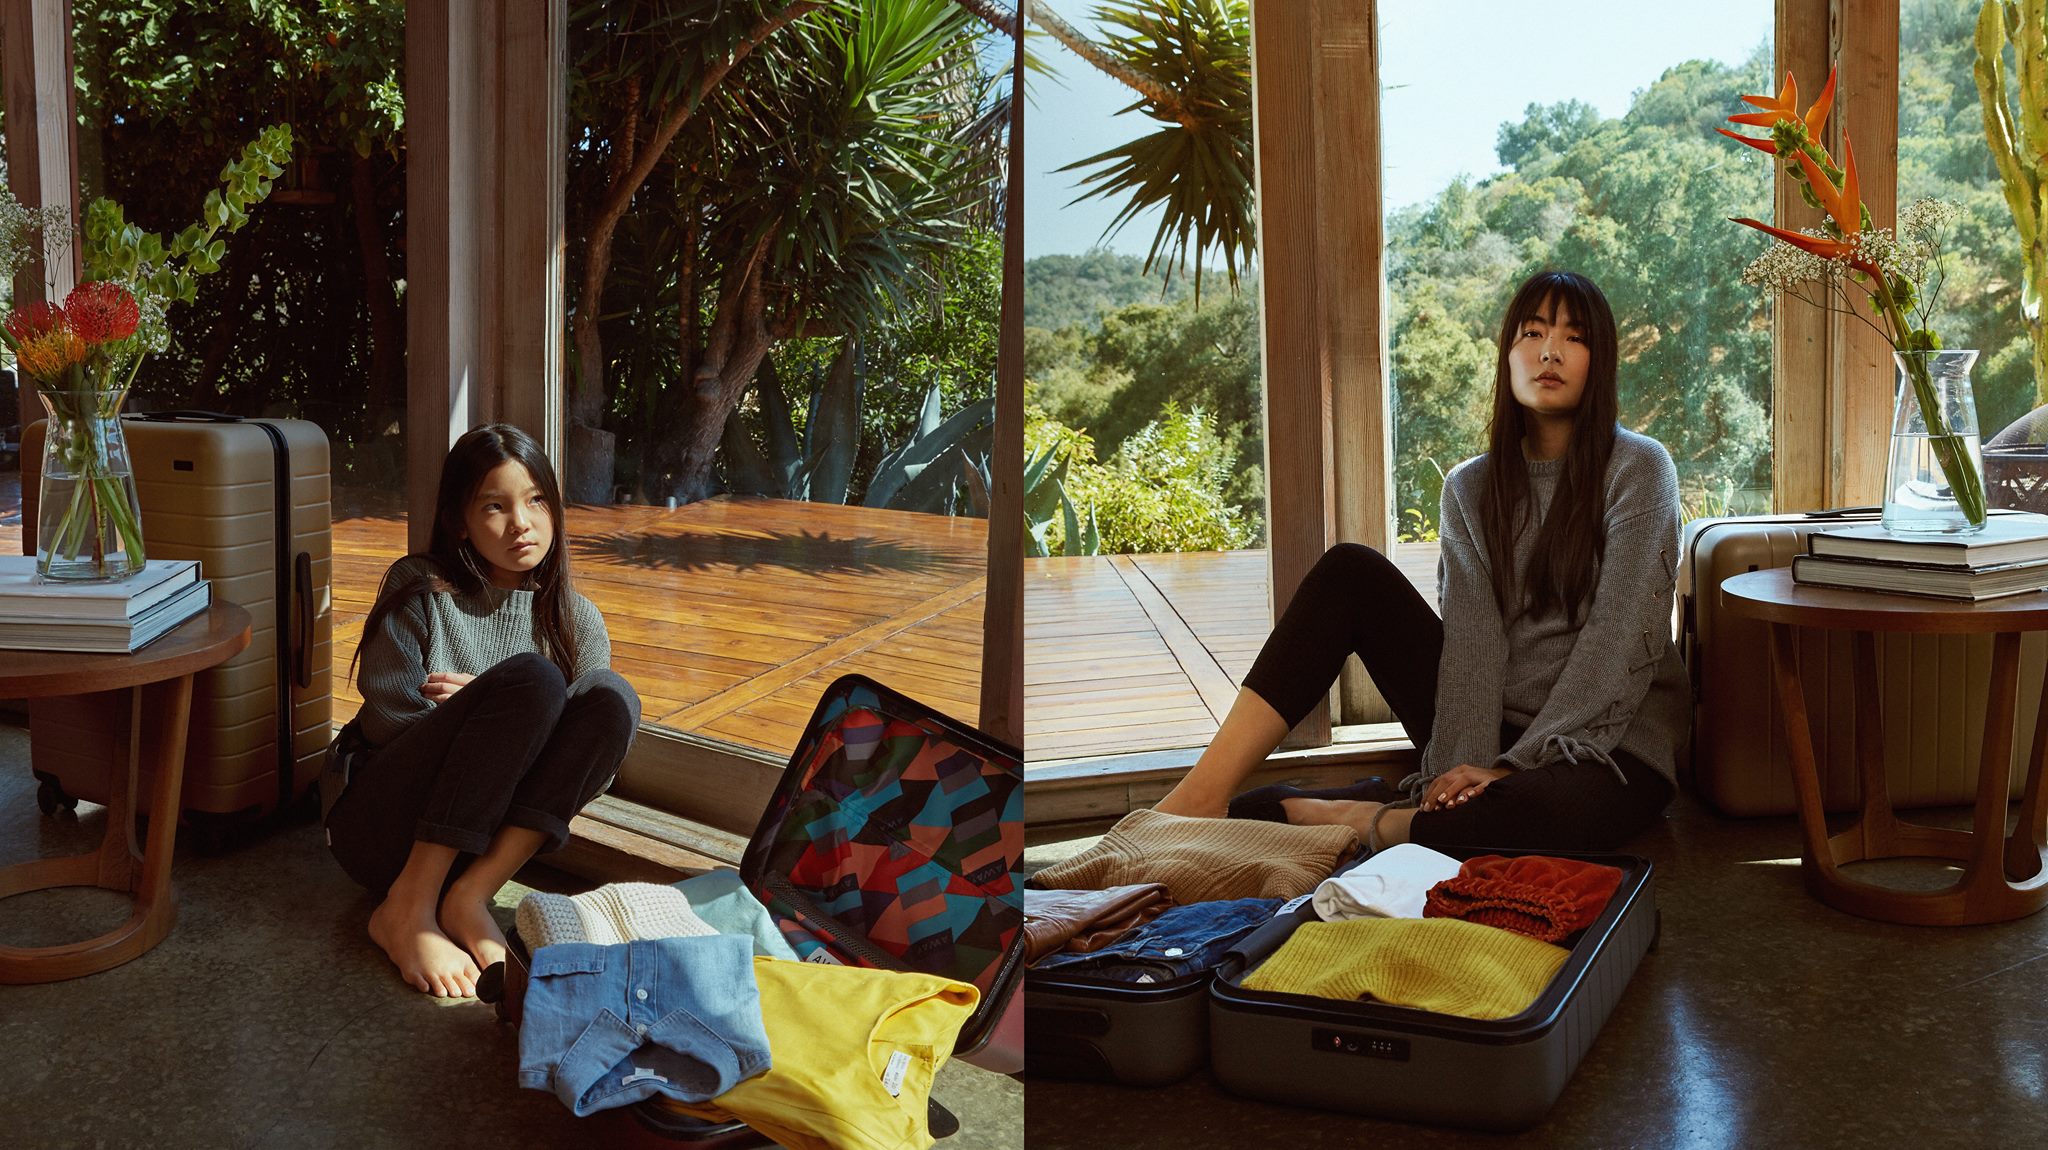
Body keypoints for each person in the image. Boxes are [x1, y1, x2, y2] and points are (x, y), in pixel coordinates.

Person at [1152, 270, 1689, 855]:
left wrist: (1514, 772)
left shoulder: (1638, 469)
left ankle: (1358, 818)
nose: (1550, 352)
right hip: (1492, 726)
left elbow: (1616, 642)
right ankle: (1195, 801)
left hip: (1605, 745)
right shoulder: (1471, 487)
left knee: (1538, 817)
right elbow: (1473, 649)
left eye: (1575, 337)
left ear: (1600, 360)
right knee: (1349, 573)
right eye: (1532, 333)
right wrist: (1456, 775)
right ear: (1507, 356)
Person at [326, 423, 642, 998]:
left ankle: (469, 896)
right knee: (536, 682)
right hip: (386, 833)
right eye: (494, 506)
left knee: (613, 697)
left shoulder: (578, 619)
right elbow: (386, 721)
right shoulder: (421, 586)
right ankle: (408, 906)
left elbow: (592, 767)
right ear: (460, 523)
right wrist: (496, 702)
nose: (521, 523)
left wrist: (489, 699)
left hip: (481, 845)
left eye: (536, 500)